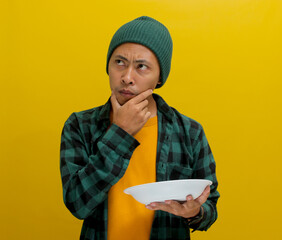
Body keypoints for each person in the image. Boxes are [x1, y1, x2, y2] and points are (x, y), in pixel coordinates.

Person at [60, 16, 219, 240]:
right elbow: (78, 204)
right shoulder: (80, 125)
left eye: (141, 67)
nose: (127, 77)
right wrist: (120, 134)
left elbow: (210, 206)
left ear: (160, 77)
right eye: (119, 63)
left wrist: (195, 212)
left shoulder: (189, 132)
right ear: (108, 66)